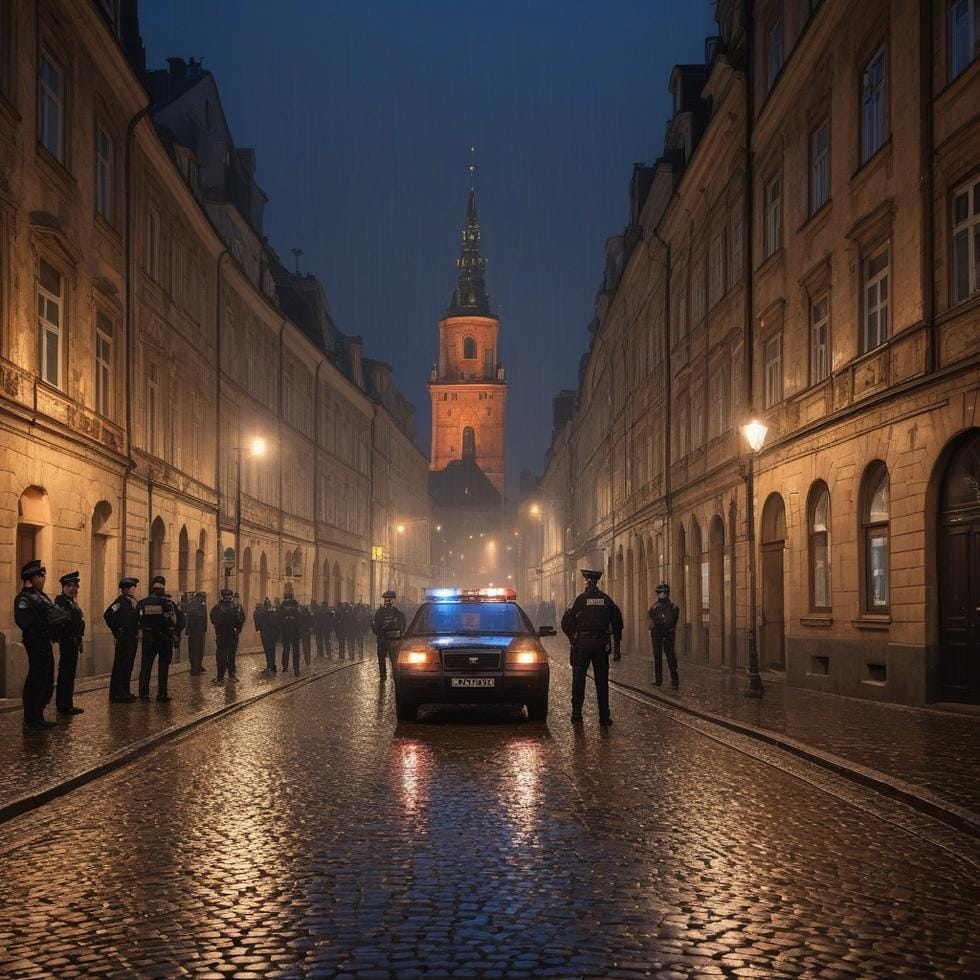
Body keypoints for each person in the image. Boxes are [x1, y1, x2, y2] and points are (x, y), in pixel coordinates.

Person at [561, 569, 623, 727]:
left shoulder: (579, 600)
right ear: (596, 582)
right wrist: (617, 645)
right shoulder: (607, 600)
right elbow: (617, 622)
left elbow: (566, 622)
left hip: (582, 644)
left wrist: (573, 639)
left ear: (586, 582)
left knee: (579, 680)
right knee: (602, 682)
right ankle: (604, 717)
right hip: (601, 645)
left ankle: (576, 715)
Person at [14, 560, 65, 732]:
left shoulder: (42, 596)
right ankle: (31, 718)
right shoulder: (24, 598)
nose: (43, 579)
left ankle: (38, 715)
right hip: (35, 641)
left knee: (46, 679)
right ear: (30, 578)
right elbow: (24, 622)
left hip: (45, 641)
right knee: (36, 679)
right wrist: (44, 625)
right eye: (40, 576)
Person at [137, 576, 185, 702]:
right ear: (163, 587)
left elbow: (137, 620)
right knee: (163, 667)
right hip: (165, 638)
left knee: (146, 666)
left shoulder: (142, 603)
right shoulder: (169, 603)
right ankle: (162, 694)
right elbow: (181, 620)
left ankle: (143, 693)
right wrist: (176, 633)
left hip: (149, 638)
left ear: (152, 587)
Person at [54, 570, 85, 715]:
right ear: (63, 587)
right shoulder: (61, 602)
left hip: (74, 642)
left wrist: (79, 639)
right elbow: (62, 623)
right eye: (70, 586)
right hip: (67, 642)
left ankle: (68, 703)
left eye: (75, 586)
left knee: (70, 674)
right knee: (65, 674)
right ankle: (63, 705)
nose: (73, 589)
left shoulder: (72, 603)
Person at [105, 577, 140, 703]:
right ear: (125, 589)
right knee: (121, 665)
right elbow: (108, 614)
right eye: (132, 588)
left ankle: (125, 691)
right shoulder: (120, 602)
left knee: (128, 666)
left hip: (132, 637)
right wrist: (116, 631)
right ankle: (117, 693)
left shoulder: (132, 602)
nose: (133, 590)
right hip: (124, 638)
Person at [649, 583, 680, 690]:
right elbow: (652, 622)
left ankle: (675, 680)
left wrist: (667, 629)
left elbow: (673, 622)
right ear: (657, 593)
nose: (662, 594)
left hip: (668, 634)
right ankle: (658, 680)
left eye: (665, 592)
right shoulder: (654, 608)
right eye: (660, 592)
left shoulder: (673, 607)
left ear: (667, 593)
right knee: (657, 658)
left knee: (671, 658)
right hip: (657, 635)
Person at [210, 588, 245, 683]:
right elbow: (241, 619)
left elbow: (213, 619)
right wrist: (237, 629)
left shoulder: (217, 607)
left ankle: (221, 676)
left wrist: (220, 628)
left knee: (222, 655)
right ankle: (230, 675)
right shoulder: (237, 607)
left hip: (223, 634)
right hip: (230, 633)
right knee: (230, 655)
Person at [371, 590, 406, 680]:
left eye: (390, 599)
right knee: (381, 659)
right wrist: (380, 632)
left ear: (393, 600)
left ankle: (395, 676)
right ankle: (383, 676)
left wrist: (399, 632)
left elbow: (402, 625)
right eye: (386, 599)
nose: (388, 600)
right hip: (383, 640)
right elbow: (375, 626)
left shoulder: (397, 613)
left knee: (394, 660)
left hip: (394, 641)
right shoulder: (380, 612)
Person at [185, 591, 208, 675]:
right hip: (195, 630)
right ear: (199, 597)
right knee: (195, 650)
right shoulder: (194, 604)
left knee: (199, 649)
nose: (205, 599)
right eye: (203, 597)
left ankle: (198, 666)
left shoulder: (201, 603)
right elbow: (193, 618)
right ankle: (194, 668)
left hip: (199, 630)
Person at [279, 594, 301, 675]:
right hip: (294, 631)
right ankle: (296, 669)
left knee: (286, 649)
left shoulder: (282, 605)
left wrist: (286, 618)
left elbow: (279, 618)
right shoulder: (296, 605)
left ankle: (285, 667)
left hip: (286, 631)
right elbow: (299, 617)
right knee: (295, 650)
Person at [299, 602, 314, 666]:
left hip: (304, 631)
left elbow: (301, 624)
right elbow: (312, 622)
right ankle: (308, 660)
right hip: (308, 632)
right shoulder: (309, 614)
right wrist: (311, 628)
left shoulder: (302, 615)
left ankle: (307, 659)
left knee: (305, 646)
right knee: (308, 645)